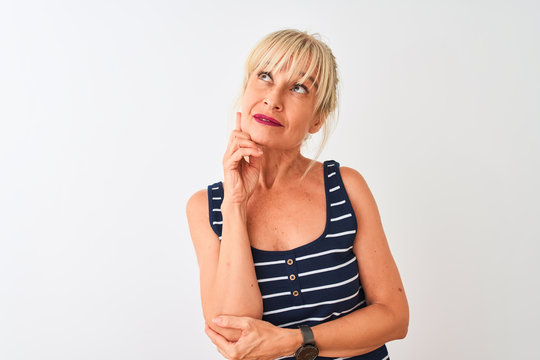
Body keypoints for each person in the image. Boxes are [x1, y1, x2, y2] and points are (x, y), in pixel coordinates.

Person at [186, 29, 409, 360]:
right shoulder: (206, 208)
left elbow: (394, 318)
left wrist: (292, 341)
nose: (273, 99)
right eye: (264, 76)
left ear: (317, 118)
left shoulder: (346, 187)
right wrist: (235, 205)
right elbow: (232, 334)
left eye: (298, 88)